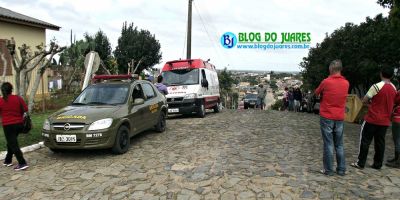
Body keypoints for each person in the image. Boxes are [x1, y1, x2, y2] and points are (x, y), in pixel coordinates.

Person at [351, 66, 397, 170]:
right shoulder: (394, 88)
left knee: (365, 141)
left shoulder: (376, 86)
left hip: (372, 118)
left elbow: (365, 100)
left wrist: (370, 103)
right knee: (380, 143)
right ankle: (377, 164)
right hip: (385, 121)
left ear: (381, 74)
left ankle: (360, 162)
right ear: (392, 76)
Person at [315, 59, 349, 176]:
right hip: (339, 116)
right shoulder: (346, 83)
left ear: (331, 69)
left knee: (328, 144)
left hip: (327, 115)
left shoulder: (326, 82)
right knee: (339, 144)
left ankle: (328, 170)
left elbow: (317, 92)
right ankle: (341, 169)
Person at [0, 82, 29, 171]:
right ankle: (8, 160)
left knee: (13, 144)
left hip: (8, 126)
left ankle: (22, 163)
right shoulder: (18, 98)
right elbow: (26, 109)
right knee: (11, 143)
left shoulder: (1, 101)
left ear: (2, 91)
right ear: (11, 89)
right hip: (19, 124)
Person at [387, 90, 400, 168]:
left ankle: (398, 161)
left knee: (397, 139)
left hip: (398, 118)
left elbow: (394, 101)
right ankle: (396, 158)